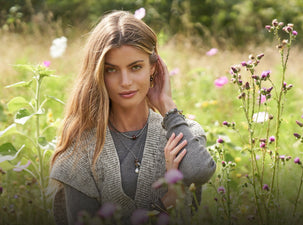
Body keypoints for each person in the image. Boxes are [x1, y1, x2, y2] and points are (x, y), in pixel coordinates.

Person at [49, 10, 216, 225]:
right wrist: (167, 202)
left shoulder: (182, 132)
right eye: (111, 70)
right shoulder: (81, 147)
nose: (125, 81)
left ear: (153, 68)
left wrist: (169, 108)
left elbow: (200, 171)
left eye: (135, 67)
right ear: (98, 74)